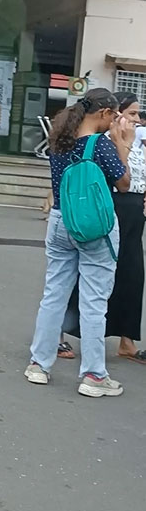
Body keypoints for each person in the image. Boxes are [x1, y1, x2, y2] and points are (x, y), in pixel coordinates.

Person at [25, 88, 133, 397]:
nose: (115, 121)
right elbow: (123, 184)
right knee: (94, 300)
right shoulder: (100, 145)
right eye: (114, 115)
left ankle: (39, 364)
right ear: (103, 113)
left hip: (61, 220)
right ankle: (94, 375)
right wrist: (122, 144)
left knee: (54, 294)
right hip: (94, 226)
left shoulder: (60, 142)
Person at [105, 93, 146, 363]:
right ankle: (62, 331)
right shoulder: (107, 142)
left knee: (133, 274)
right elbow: (121, 179)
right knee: (98, 274)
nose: (137, 119)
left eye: (138, 114)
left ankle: (127, 340)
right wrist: (123, 142)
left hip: (135, 210)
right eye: (131, 114)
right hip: (114, 206)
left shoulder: (140, 140)